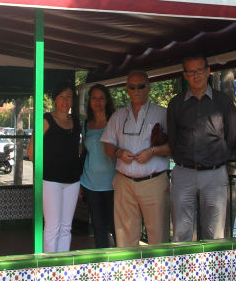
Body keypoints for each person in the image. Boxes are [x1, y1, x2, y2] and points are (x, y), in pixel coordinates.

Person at [167, 55, 236, 241]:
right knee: (181, 234)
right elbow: (173, 139)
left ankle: (212, 270)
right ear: (185, 76)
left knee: (214, 234)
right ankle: (181, 269)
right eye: (191, 72)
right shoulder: (176, 104)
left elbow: (232, 138)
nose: (196, 75)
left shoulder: (223, 102)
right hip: (184, 173)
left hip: (214, 175)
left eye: (199, 70)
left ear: (208, 71)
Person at [101, 70, 170, 247]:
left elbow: (176, 147)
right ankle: (127, 273)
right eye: (132, 87)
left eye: (141, 86)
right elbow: (107, 145)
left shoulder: (162, 113)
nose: (137, 90)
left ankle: (159, 273)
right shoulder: (118, 116)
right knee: (124, 238)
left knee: (158, 236)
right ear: (127, 89)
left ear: (149, 88)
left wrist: (153, 151)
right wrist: (119, 153)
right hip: (124, 182)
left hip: (153, 181)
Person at [27, 84, 81, 253]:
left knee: (66, 227)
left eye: (69, 96)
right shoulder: (46, 120)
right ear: (55, 99)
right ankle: (50, 268)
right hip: (50, 180)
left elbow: (77, 148)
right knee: (52, 227)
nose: (66, 101)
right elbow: (31, 153)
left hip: (73, 180)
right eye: (62, 96)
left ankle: (63, 265)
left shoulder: (76, 121)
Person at [80, 84, 116, 248]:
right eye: (94, 98)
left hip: (113, 183)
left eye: (101, 98)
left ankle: (122, 264)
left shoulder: (115, 121)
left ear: (107, 100)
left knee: (116, 226)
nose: (97, 101)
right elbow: (83, 153)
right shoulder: (86, 124)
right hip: (90, 183)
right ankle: (103, 262)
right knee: (98, 226)